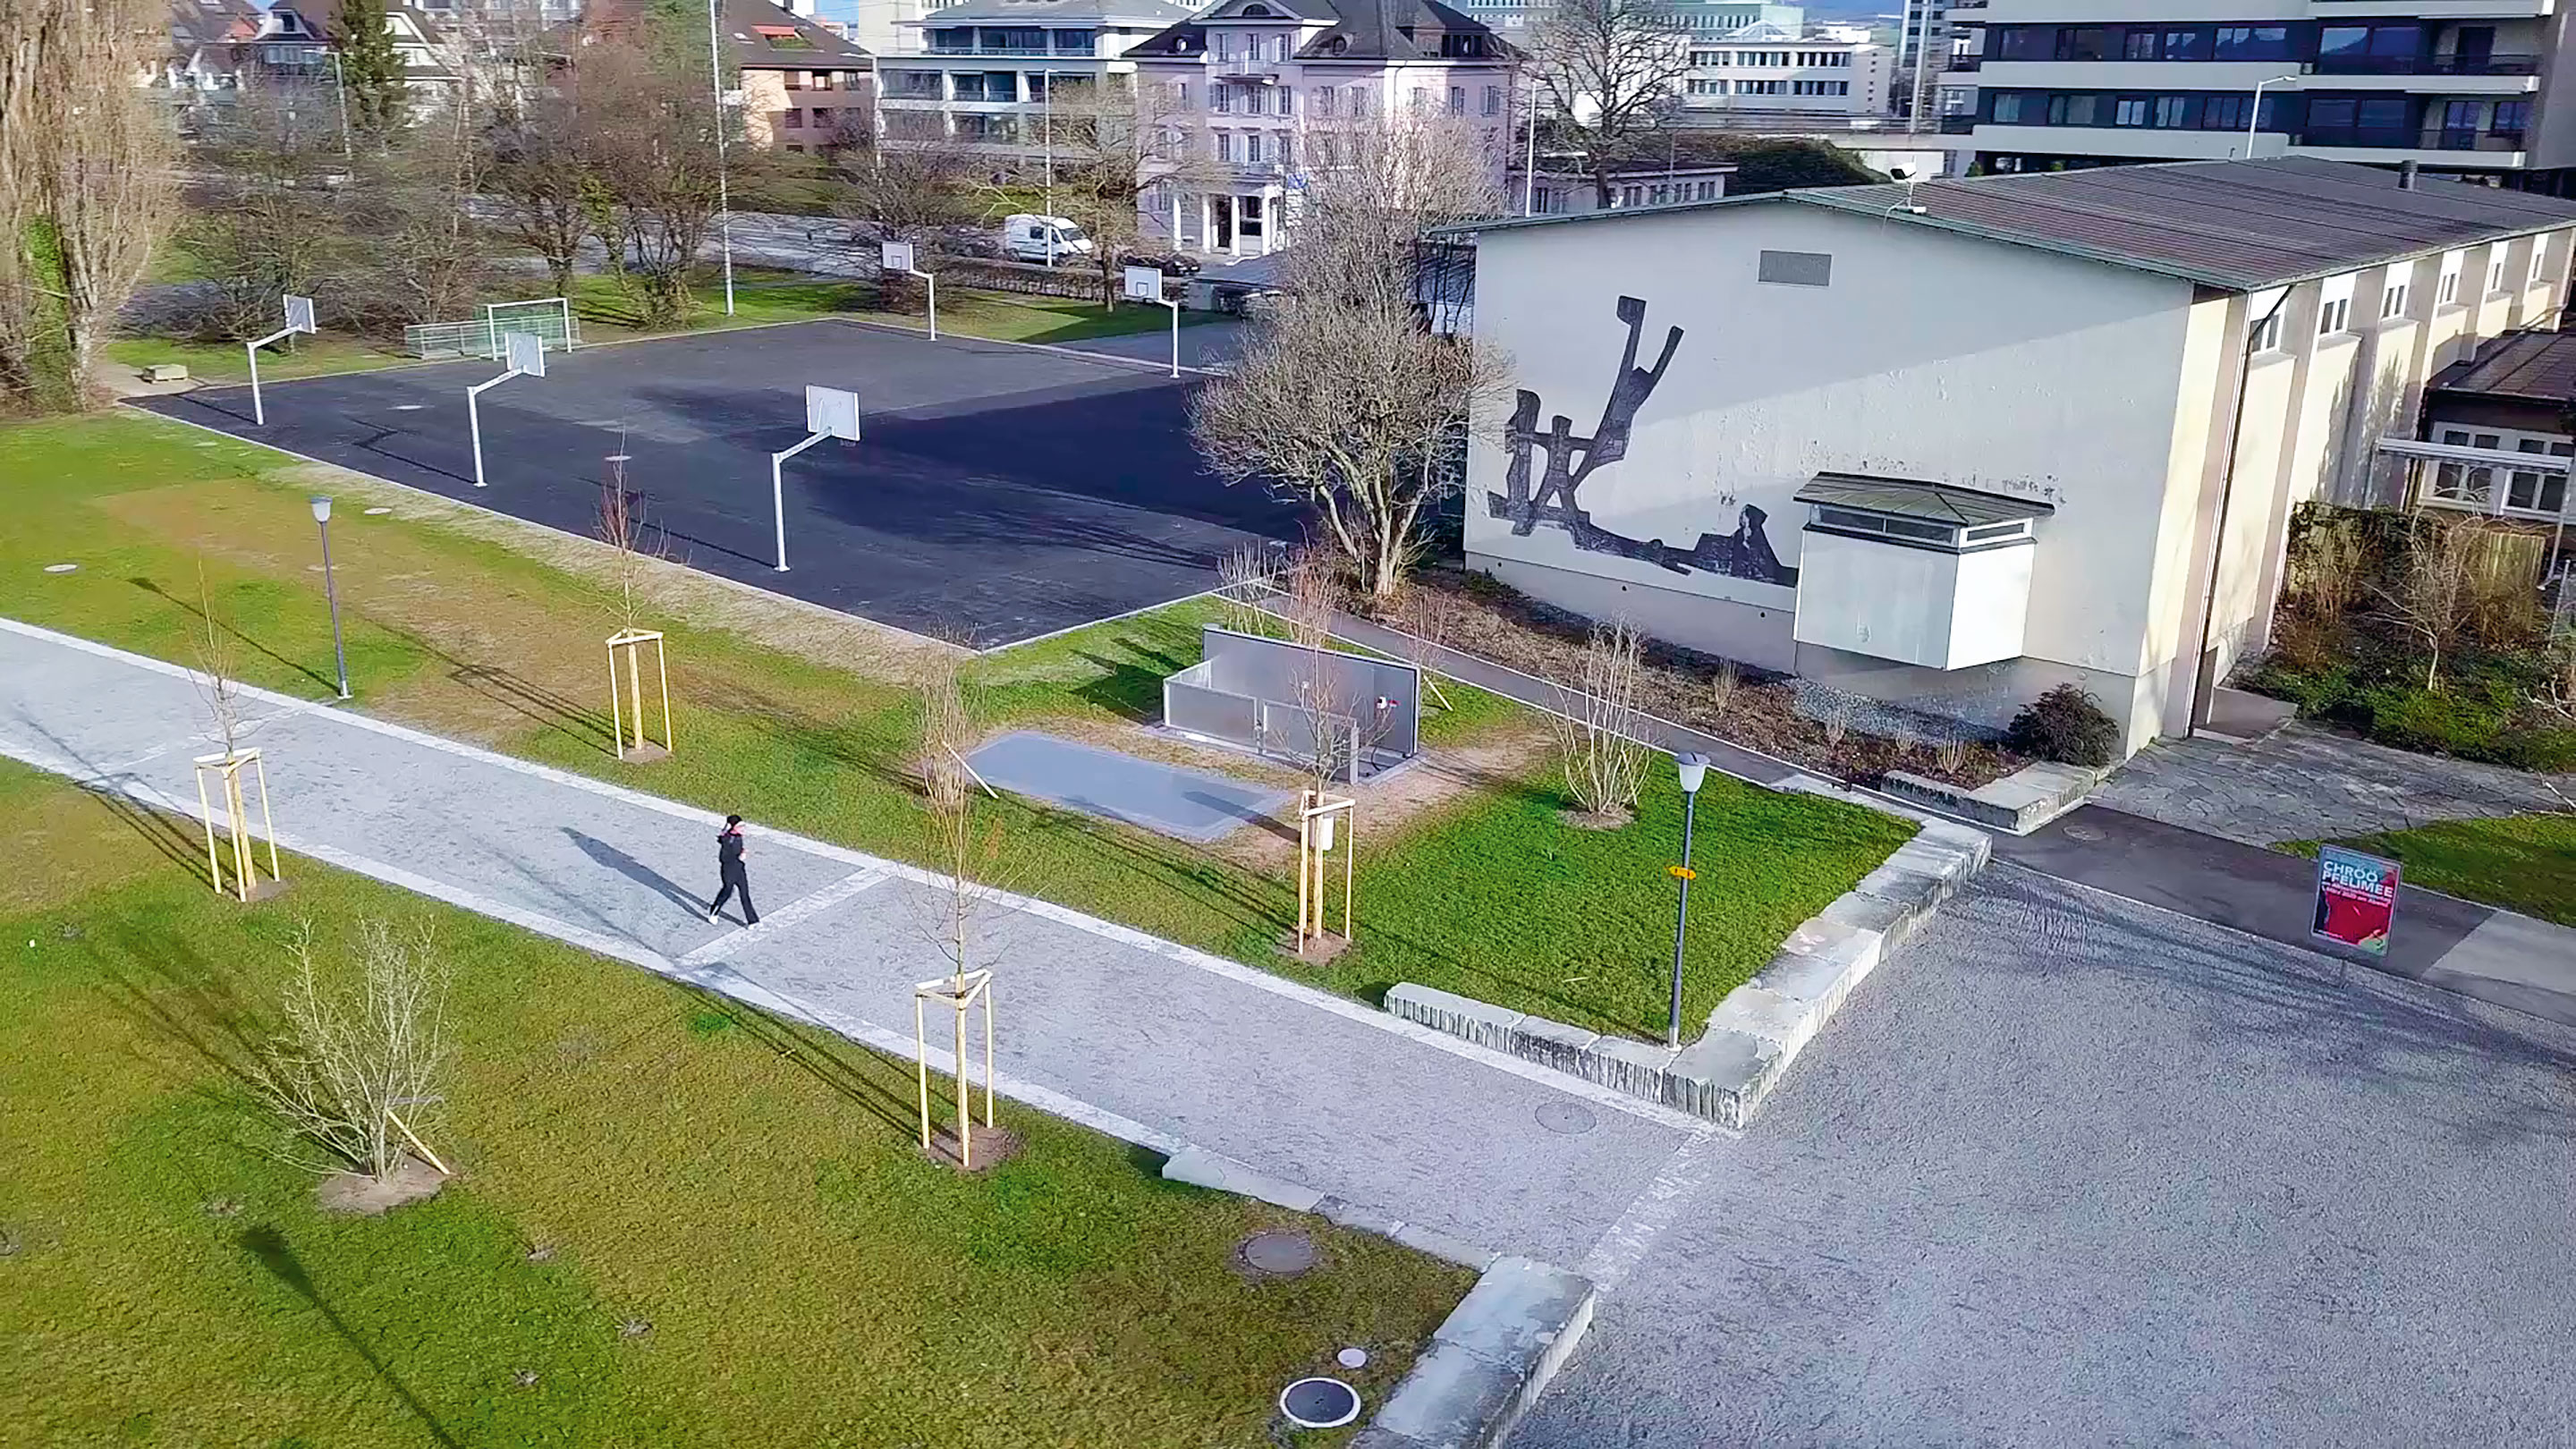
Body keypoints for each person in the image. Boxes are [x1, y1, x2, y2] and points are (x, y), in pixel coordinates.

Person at [708, 814, 758, 926]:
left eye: (743, 826)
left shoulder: (738, 837)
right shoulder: (728, 840)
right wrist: (740, 857)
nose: (743, 829)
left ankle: (752, 920)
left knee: (744, 894)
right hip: (729, 870)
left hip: (739, 869)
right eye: (740, 826)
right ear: (733, 827)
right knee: (727, 892)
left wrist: (741, 854)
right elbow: (724, 858)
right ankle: (714, 912)